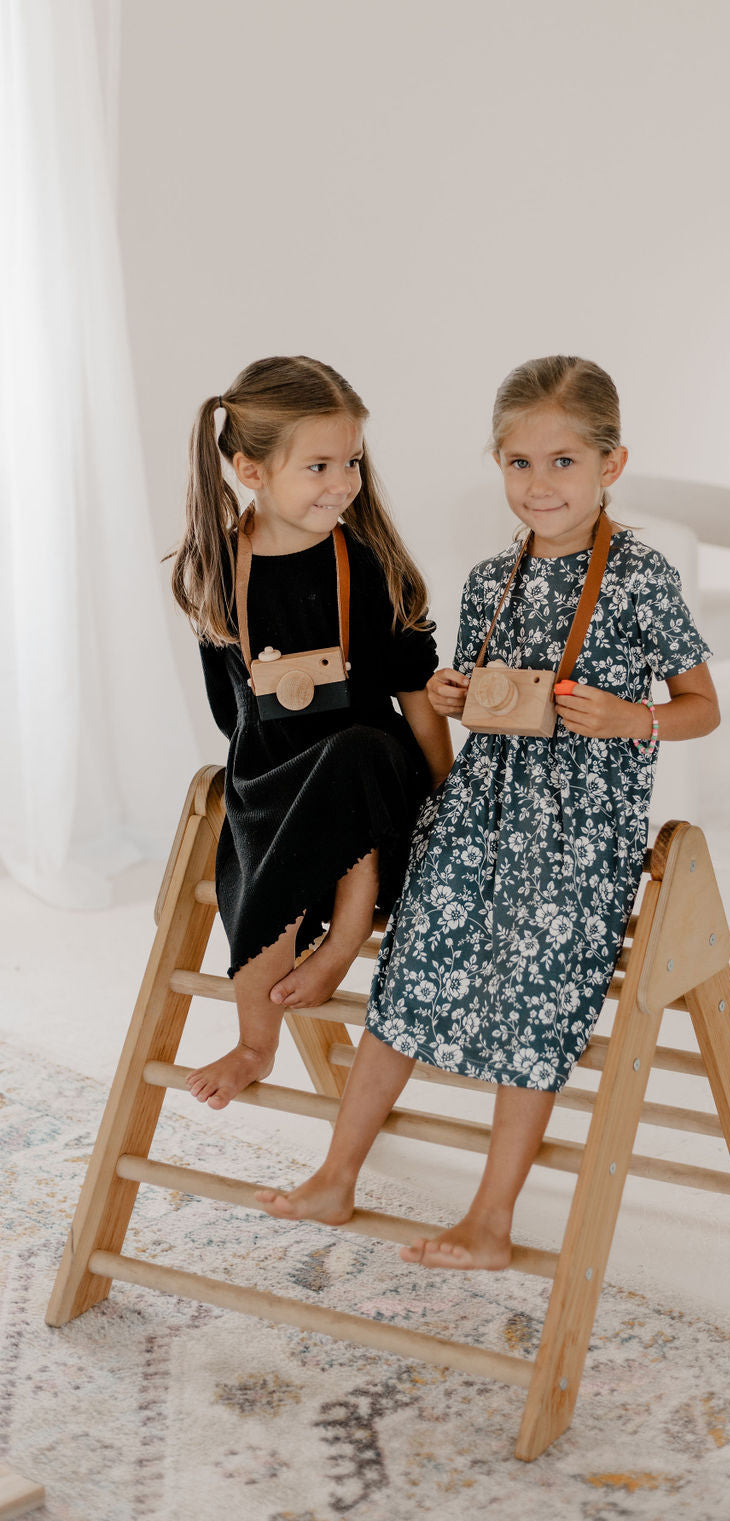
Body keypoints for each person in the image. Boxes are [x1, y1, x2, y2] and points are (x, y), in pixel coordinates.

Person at [257, 354, 719, 1267]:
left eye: (563, 463)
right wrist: (456, 692)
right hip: (480, 808)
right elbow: (472, 706)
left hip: (578, 830)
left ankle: (492, 1218)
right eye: (518, 463)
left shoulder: (640, 575)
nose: (539, 485)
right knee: (410, 973)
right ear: (497, 463)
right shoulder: (485, 580)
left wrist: (633, 718)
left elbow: (703, 704)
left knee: (535, 1001)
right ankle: (336, 1174)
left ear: (610, 466)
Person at [169, 355, 452, 1109]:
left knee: (351, 755)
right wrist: (257, 777)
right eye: (319, 465)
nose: (344, 482)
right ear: (249, 470)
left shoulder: (361, 560)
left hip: (376, 769)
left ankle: (345, 936)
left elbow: (414, 691)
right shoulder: (216, 569)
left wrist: (444, 790)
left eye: (352, 461)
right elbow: (232, 708)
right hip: (280, 768)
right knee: (260, 836)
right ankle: (255, 1042)